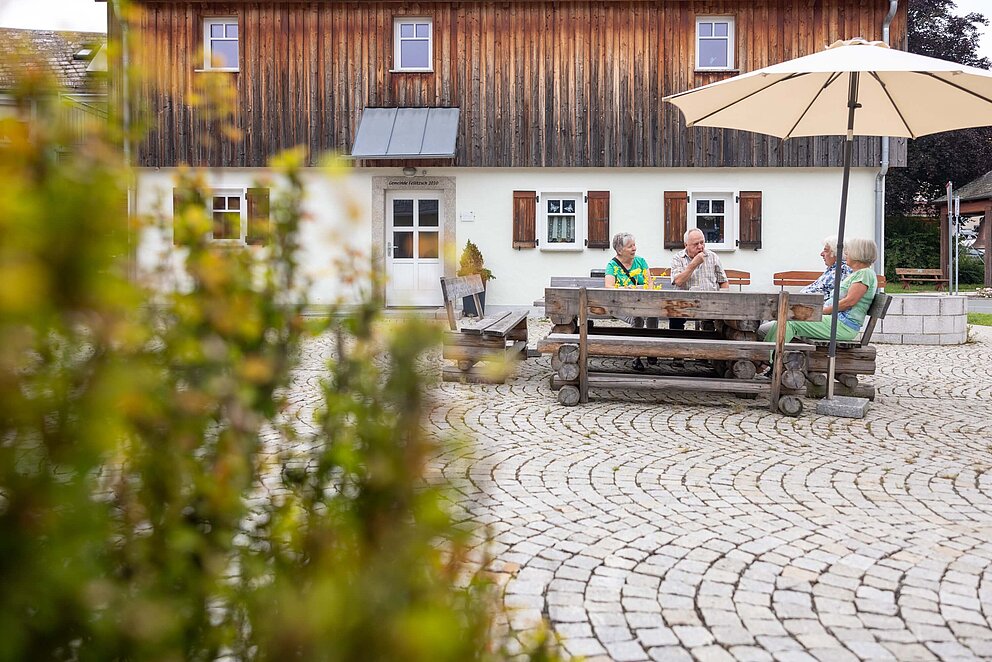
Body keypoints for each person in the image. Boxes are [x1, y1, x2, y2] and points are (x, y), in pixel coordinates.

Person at [762, 237, 878, 345]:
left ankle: (768, 357)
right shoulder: (858, 274)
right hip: (836, 321)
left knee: (789, 322)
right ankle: (767, 355)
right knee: (786, 320)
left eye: (849, 251)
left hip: (843, 326)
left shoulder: (864, 274)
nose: (846, 254)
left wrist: (822, 311)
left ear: (858, 253)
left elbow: (849, 302)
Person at [758, 236, 851, 339]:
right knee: (763, 321)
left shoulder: (841, 271)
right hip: (803, 312)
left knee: (764, 328)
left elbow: (835, 301)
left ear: (836, 253)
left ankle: (770, 348)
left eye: (825, 250)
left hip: (812, 316)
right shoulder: (833, 270)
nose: (821, 254)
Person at [605, 232, 657, 370]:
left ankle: (652, 349)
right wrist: (624, 289)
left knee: (653, 314)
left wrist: (647, 293)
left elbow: (649, 282)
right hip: (621, 306)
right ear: (619, 250)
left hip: (642, 303)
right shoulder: (612, 265)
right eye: (630, 246)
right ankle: (636, 356)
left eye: (634, 245)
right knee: (637, 317)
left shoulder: (641, 261)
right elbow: (608, 286)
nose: (634, 248)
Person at [669, 228, 729, 330]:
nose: (700, 247)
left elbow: (723, 282)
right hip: (684, 304)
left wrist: (722, 300)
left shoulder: (713, 257)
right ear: (686, 245)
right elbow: (678, 281)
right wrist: (694, 264)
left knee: (722, 321)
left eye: (702, 242)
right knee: (674, 315)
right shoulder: (678, 258)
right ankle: (677, 339)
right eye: (696, 244)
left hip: (710, 303)